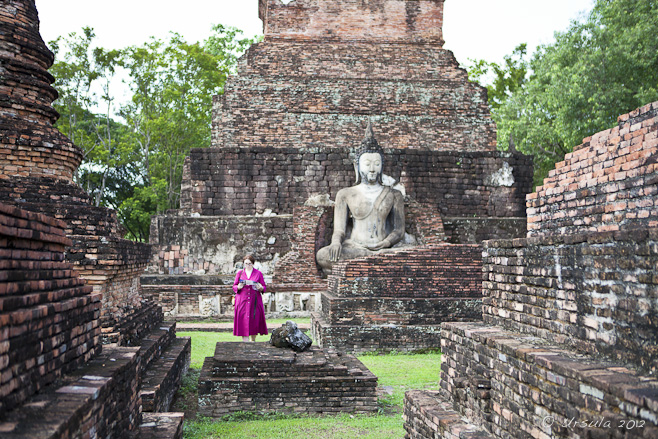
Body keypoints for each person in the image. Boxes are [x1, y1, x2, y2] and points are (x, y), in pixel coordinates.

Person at [316, 122, 405, 274]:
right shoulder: (345, 194)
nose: (372, 168)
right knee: (323, 255)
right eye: (367, 163)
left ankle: (365, 263)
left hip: (382, 248)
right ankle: (372, 262)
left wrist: (385, 243)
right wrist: (335, 243)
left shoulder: (394, 194)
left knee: (410, 256)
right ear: (356, 166)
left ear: (382, 166)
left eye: (377, 163)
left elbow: (399, 231)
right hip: (355, 248)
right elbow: (339, 230)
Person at [233, 255, 268, 341]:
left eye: (250, 264)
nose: (248, 265)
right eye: (246, 264)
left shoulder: (258, 273)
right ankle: (245, 342)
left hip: (254, 300)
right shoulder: (240, 273)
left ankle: (253, 341)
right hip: (242, 300)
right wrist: (238, 287)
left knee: (254, 319)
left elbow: (264, 286)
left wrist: (261, 288)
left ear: (253, 264)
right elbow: (234, 286)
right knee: (243, 319)